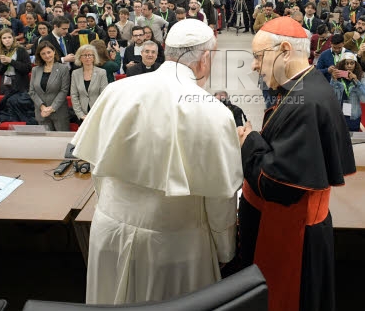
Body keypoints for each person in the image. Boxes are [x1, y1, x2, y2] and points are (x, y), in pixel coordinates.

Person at [71, 18, 242, 305]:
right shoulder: (214, 112)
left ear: (166, 49)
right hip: (174, 243)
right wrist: (224, 251)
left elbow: (99, 168)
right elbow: (219, 197)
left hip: (109, 229)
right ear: (205, 59)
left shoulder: (116, 90)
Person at [237, 16, 355, 311]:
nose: (253, 66)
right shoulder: (305, 87)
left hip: (294, 236)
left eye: (257, 57)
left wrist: (249, 140)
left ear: (285, 49)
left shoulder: (307, 103)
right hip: (289, 225)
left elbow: (278, 185)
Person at [29, 41, 71, 131]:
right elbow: (32, 91)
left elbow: (64, 91)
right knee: (45, 143)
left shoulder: (63, 69)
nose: (47, 56)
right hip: (41, 112)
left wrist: (51, 108)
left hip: (59, 112)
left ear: (54, 52)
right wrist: (42, 107)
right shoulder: (35, 70)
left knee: (61, 142)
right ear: (39, 55)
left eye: (49, 52)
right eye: (43, 53)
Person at [330, 51, 365, 132]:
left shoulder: (360, 78)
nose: (349, 66)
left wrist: (356, 81)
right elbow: (331, 98)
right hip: (339, 117)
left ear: (355, 65)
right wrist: (334, 81)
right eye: (346, 63)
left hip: (353, 116)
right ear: (342, 64)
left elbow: (364, 99)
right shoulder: (336, 77)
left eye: (352, 63)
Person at [69, 45, 108, 122]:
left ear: (94, 57)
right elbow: (74, 95)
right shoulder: (75, 73)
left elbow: (104, 95)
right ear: (80, 58)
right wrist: (80, 115)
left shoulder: (102, 72)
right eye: (84, 55)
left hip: (98, 114)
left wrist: (95, 114)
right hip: (82, 115)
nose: (87, 57)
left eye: (90, 55)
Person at [0, 28, 32, 94]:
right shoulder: (0, 52)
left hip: (20, 83)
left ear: (13, 38)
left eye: (9, 37)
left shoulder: (21, 50)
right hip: (5, 83)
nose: (7, 40)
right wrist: (4, 64)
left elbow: (27, 68)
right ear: (1, 40)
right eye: (4, 38)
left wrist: (11, 61)